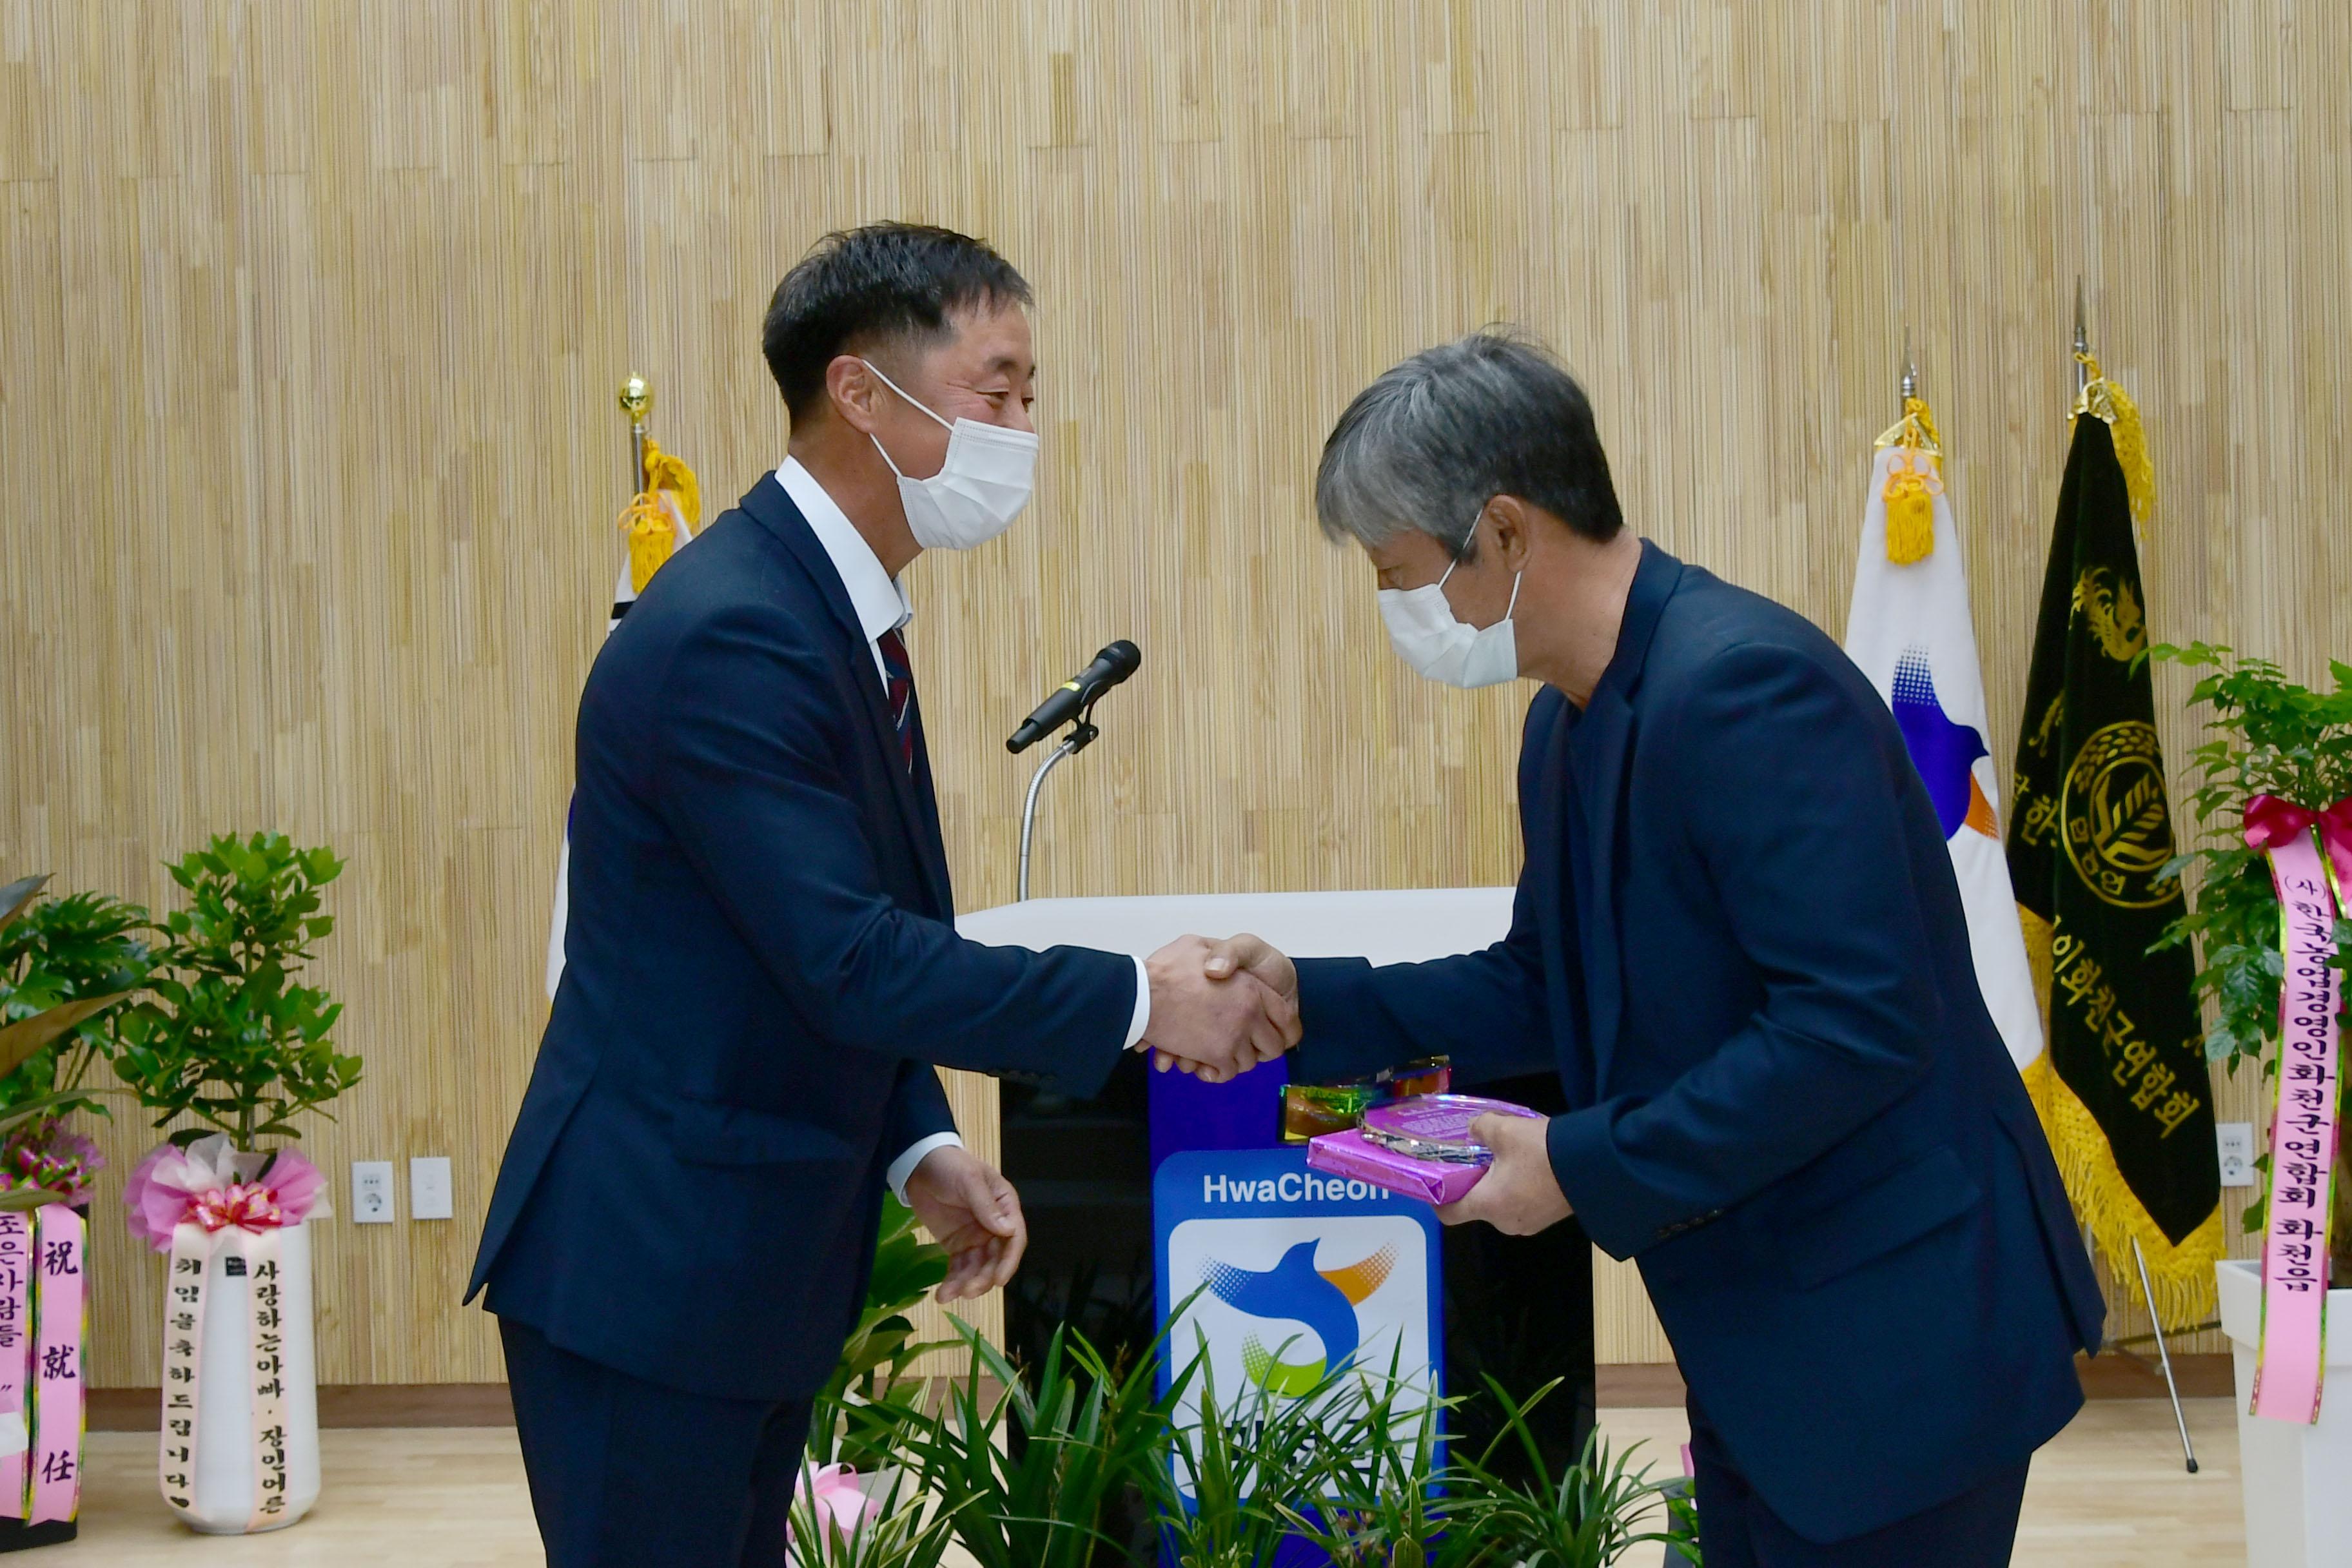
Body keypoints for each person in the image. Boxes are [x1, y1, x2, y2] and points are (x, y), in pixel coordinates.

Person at [1201, 330, 2106, 1567]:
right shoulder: (1568, 724)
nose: (1397, 611)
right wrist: (1310, 1000)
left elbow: (1857, 1026)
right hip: (1770, 1334)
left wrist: (1579, 1164)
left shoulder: (1744, 689)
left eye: (1401, 573)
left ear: (1508, 533)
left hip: (1897, 1331)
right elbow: (1545, 981)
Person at [468, 223, 1293, 1568]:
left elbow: (801, 949)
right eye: (998, 389)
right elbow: (851, 957)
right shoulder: (737, 629)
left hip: (742, 1261)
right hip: (655, 1270)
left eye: (1033, 394)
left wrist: (919, 1143)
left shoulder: (831, 614)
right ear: (861, 392)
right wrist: (1145, 998)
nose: (1024, 426)